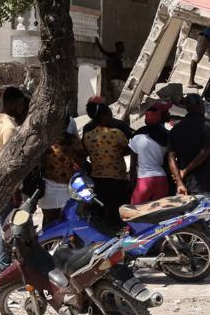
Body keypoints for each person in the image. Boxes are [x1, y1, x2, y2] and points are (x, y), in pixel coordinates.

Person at [0, 87, 28, 271]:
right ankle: (3, 262)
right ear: (11, 103)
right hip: (8, 181)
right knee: (7, 224)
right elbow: (11, 159)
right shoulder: (10, 127)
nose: (22, 108)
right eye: (20, 104)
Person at [82, 96, 132, 228]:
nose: (111, 116)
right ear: (103, 116)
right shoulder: (116, 133)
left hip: (97, 178)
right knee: (117, 212)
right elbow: (128, 150)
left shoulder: (87, 134)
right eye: (109, 114)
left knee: (101, 212)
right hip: (117, 178)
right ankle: (118, 239)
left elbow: (86, 151)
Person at [168, 94, 210, 197]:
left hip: (184, 185)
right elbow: (204, 153)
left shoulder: (176, 129)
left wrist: (179, 181)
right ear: (200, 105)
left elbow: (171, 157)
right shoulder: (208, 125)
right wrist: (185, 171)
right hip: (204, 185)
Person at [40, 117, 85, 224]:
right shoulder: (44, 142)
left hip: (69, 188)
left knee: (68, 219)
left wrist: (72, 154)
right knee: (49, 221)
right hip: (49, 187)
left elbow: (83, 161)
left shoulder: (73, 141)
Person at [129, 103, 171, 204]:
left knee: (136, 212)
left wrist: (132, 181)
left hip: (144, 180)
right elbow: (169, 159)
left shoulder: (138, 135)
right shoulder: (166, 135)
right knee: (159, 214)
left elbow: (133, 163)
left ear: (145, 120)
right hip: (162, 179)